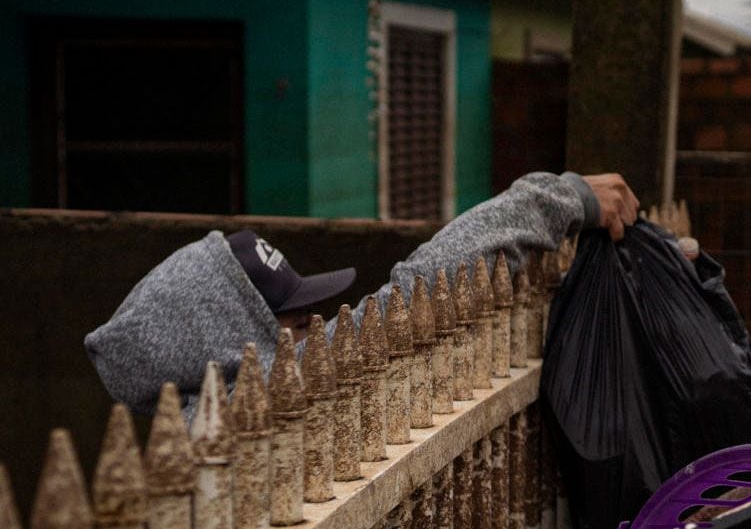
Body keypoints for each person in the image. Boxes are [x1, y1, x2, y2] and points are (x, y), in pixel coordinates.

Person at [86, 171, 640, 415]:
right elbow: (418, 292)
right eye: (299, 327)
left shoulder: (209, 413)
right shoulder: (238, 416)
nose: (325, 333)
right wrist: (558, 198)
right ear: (230, 352)